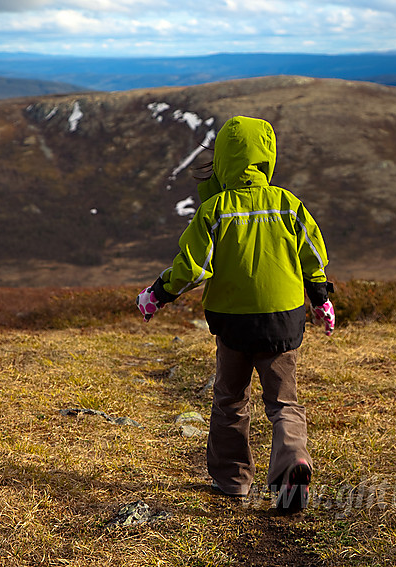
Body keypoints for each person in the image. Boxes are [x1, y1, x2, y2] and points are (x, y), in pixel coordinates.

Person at [135, 115, 335, 513]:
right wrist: (321, 298)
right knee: (284, 403)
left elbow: (193, 266)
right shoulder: (288, 204)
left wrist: (158, 293)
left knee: (230, 399)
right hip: (284, 319)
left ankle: (232, 480)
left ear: (224, 159)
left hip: (233, 322)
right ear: (267, 158)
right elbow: (312, 256)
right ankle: (293, 461)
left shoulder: (216, 209)